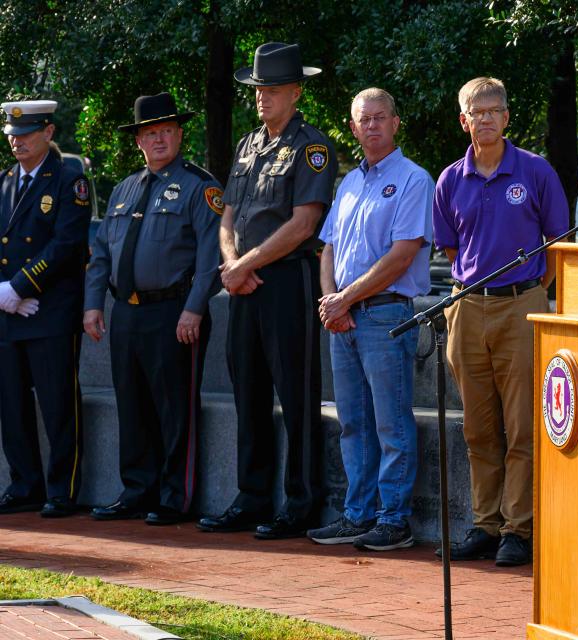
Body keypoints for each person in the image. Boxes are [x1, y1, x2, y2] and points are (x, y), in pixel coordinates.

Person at [197, 41, 337, 540]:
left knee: (296, 394)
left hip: (284, 282)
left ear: (296, 92)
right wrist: (232, 264)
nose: (262, 98)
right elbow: (228, 215)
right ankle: (251, 495)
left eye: (273, 90)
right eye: (258, 90)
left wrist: (247, 265)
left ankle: (300, 502)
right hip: (243, 284)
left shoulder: (312, 147)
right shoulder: (247, 145)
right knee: (248, 391)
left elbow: (304, 225)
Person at [432, 77, 568, 566]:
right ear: (463, 119)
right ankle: (485, 523)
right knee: (478, 427)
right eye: (476, 111)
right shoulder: (451, 179)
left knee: (523, 424)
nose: (485, 118)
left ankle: (518, 527)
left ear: (507, 117)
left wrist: (531, 293)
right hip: (466, 307)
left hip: (520, 305)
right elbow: (452, 248)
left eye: (494, 110)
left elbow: (557, 243)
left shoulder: (535, 171)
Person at [84, 92, 223, 526]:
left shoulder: (202, 187)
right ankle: (135, 490)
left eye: (166, 131)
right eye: (150, 133)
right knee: (133, 404)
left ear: (180, 134)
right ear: (138, 141)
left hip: (174, 313)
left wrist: (195, 309)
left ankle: (172, 497)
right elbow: (102, 252)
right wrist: (93, 305)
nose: (159, 139)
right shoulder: (125, 188)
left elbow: (209, 258)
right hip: (126, 311)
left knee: (173, 407)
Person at [309, 88, 432, 551]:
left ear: (395, 123)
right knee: (354, 422)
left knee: (391, 423)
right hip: (344, 321)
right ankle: (356, 514)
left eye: (381, 118)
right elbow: (330, 249)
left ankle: (393, 519)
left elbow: (402, 256)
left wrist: (345, 299)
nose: (373, 125)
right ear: (354, 126)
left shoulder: (414, 179)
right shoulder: (348, 183)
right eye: (365, 119)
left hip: (385, 316)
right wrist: (330, 301)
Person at [0, 100, 90, 518]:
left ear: (48, 133)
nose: (18, 141)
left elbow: (67, 244)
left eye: (27, 133)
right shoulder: (4, 182)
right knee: (11, 406)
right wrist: (5, 293)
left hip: (49, 311)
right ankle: (25, 484)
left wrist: (21, 285)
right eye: (12, 135)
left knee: (58, 406)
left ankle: (61, 489)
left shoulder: (69, 179)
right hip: (7, 312)